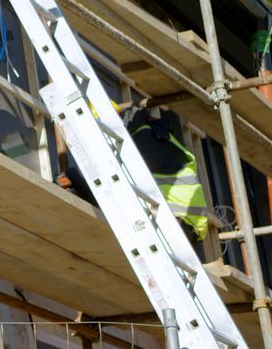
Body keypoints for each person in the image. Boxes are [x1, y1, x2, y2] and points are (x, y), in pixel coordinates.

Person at [59, 105, 210, 250]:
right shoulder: (149, 136)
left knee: (106, 190)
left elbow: (109, 179)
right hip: (175, 224)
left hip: (177, 226)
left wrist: (72, 177)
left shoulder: (148, 139)